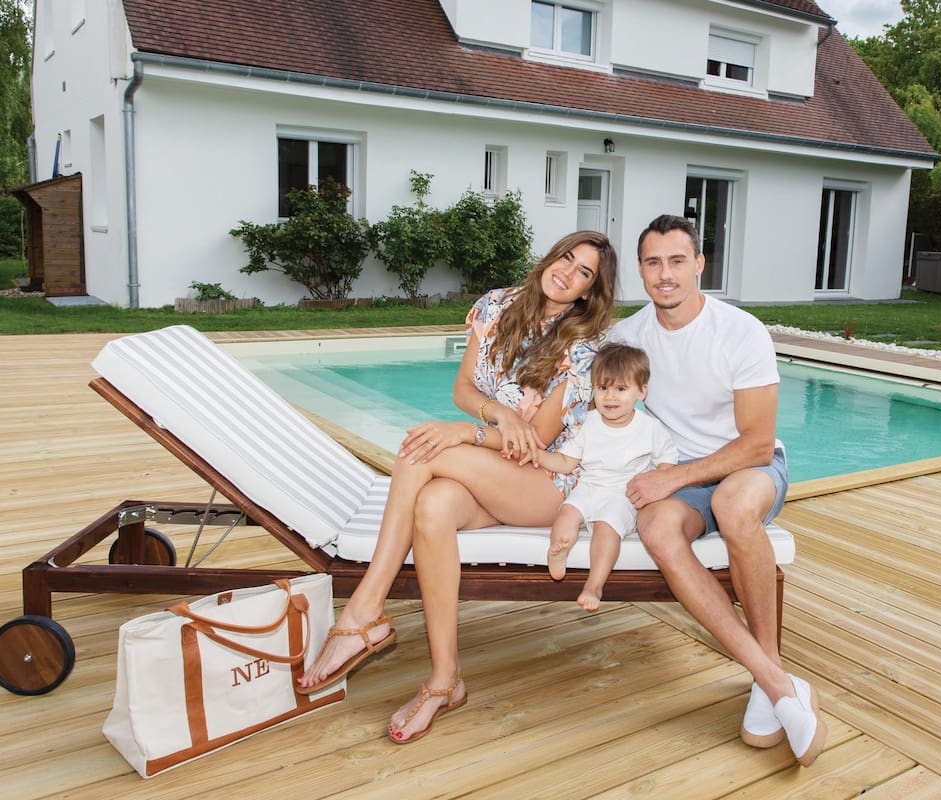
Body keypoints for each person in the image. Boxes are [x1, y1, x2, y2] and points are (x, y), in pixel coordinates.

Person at [296, 230, 618, 745]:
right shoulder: (495, 305)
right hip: (495, 469)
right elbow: (464, 388)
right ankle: (445, 680)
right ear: (551, 256)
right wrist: (494, 413)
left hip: (547, 483)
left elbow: (534, 442)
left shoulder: (583, 348)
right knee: (433, 503)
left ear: (588, 292)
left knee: (425, 448)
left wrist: (467, 432)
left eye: (584, 272)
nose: (568, 272)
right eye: (567, 258)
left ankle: (363, 611)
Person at [607, 214, 826, 766]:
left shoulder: (740, 331)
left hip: (749, 471)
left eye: (677, 261)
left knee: (732, 504)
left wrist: (673, 476)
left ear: (700, 264)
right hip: (686, 477)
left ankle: (766, 668)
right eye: (653, 263)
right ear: (640, 270)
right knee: (656, 525)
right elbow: (575, 368)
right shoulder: (629, 337)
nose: (665, 274)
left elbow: (757, 443)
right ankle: (777, 684)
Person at [528, 343, 677, 611]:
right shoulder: (589, 423)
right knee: (567, 514)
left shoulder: (649, 428)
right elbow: (565, 461)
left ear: (641, 391)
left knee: (607, 529)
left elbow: (668, 462)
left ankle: (594, 585)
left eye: (621, 389)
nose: (610, 397)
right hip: (588, 487)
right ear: (593, 388)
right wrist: (537, 456)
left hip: (622, 496)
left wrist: (659, 481)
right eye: (602, 388)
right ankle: (558, 550)